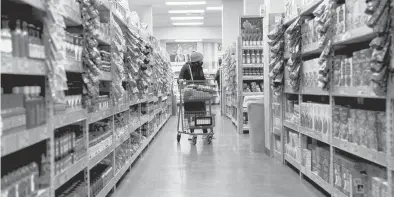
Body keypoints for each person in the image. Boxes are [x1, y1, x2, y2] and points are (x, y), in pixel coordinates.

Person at [178, 51, 208, 136]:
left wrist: (205, 84)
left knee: (201, 112)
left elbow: (202, 78)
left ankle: (204, 131)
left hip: (199, 93)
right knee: (190, 113)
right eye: (201, 59)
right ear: (197, 60)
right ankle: (192, 132)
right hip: (190, 94)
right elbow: (180, 77)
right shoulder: (186, 66)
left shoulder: (199, 67)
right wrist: (180, 80)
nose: (202, 61)